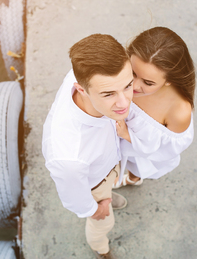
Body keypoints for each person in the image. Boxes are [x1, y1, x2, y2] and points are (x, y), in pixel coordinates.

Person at [42, 34, 134, 259]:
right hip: (94, 184)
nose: (124, 103)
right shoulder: (70, 157)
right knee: (103, 223)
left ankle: (110, 193)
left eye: (128, 85)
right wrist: (94, 209)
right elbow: (74, 197)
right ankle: (100, 249)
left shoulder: (87, 73)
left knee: (110, 185)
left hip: (108, 163)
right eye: (109, 94)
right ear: (81, 89)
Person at [113, 27, 195, 187]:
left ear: (169, 80)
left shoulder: (178, 112)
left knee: (136, 164)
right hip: (114, 144)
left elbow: (159, 151)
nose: (134, 86)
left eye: (148, 82)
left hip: (139, 151)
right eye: (133, 72)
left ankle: (133, 179)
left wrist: (128, 135)